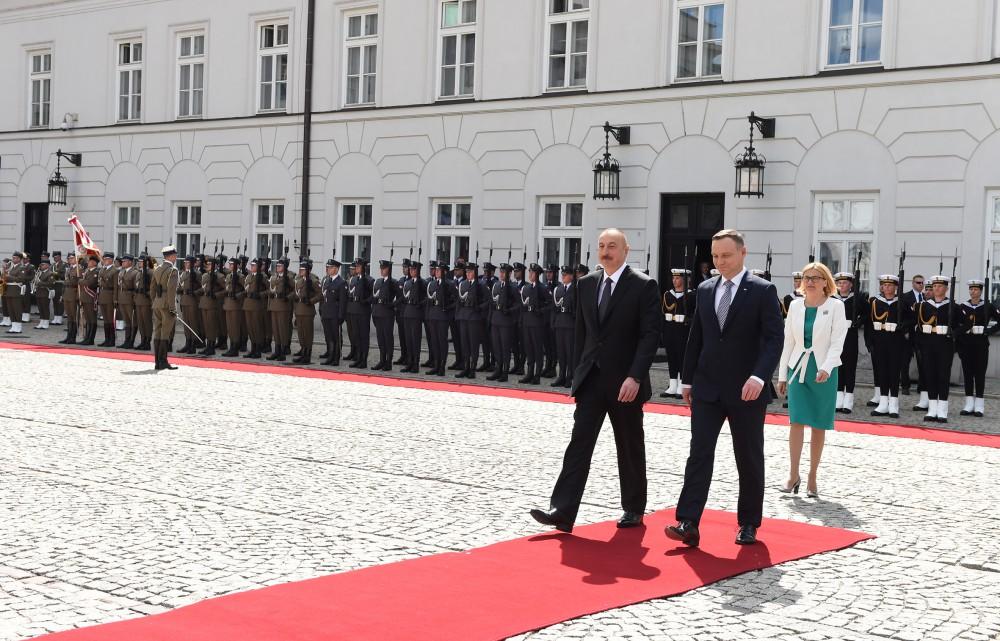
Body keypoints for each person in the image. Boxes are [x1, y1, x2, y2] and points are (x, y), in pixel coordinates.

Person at [530, 228, 660, 533]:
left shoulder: (643, 286)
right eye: (601, 245)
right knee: (579, 445)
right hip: (592, 380)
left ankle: (633, 508)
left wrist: (635, 376)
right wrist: (578, 373)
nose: (606, 251)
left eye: (612, 246)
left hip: (625, 383)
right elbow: (582, 333)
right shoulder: (587, 284)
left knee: (628, 446)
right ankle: (562, 510)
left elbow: (650, 336)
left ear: (626, 250)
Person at [666, 229, 784, 547]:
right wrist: (687, 379)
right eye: (716, 256)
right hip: (706, 388)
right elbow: (697, 337)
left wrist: (760, 377)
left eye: (726, 255)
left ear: (743, 253)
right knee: (699, 453)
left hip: (747, 390)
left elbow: (775, 339)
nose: (720, 261)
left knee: (747, 456)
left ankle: (748, 523)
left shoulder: (762, 290)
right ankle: (688, 521)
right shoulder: (705, 289)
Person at [776, 263, 849, 499]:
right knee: (796, 421)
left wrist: (827, 367)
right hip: (798, 369)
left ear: (826, 282)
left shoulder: (836, 306)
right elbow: (788, 341)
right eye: (807, 277)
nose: (810, 282)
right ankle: (793, 474)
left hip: (823, 371)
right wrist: (782, 375)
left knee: (818, 424)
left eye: (816, 278)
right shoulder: (795, 306)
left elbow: (838, 342)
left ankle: (812, 476)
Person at [866, 274, 909, 419]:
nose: (887, 288)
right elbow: (869, 323)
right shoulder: (875, 302)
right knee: (882, 372)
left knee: (894, 373)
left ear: (896, 287)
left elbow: (912, 319)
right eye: (884, 285)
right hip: (879, 341)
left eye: (890, 285)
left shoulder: (902, 302)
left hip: (896, 341)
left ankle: (894, 404)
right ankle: (883, 403)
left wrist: (903, 326)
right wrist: (869, 342)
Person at [915, 275, 957, 423]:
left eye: (940, 286)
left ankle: (942, 410)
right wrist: (920, 344)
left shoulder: (952, 306)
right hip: (928, 345)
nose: (937, 288)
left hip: (945, 345)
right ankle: (932, 409)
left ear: (946, 289)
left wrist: (953, 332)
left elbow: (965, 324)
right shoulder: (924, 306)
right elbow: (918, 326)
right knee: (930, 376)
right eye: (935, 286)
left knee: (943, 377)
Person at [957, 279, 999, 417]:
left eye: (975, 289)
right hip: (966, 343)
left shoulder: (987, 306)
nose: (973, 291)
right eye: (971, 289)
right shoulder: (963, 306)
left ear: (981, 291)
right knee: (968, 374)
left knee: (979, 374)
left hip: (981, 343)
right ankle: (969, 403)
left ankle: (979, 404)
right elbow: (956, 324)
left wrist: (990, 331)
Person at [660, 267, 695, 399]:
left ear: (686, 280)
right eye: (674, 278)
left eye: (678, 278)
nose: (675, 281)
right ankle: (672, 384)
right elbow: (663, 312)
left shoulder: (692, 295)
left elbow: (695, 315)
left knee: (682, 358)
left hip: (684, 331)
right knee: (672, 358)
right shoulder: (668, 295)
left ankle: (682, 384)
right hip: (670, 330)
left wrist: (687, 319)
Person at [832, 272, 863, 413]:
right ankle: (838, 398)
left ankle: (848, 399)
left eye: (845, 283)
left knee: (850, 367)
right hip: (836, 337)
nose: (842, 285)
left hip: (850, 336)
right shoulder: (832, 298)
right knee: (837, 367)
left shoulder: (858, 298)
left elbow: (867, 314)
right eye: (839, 283)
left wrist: (857, 322)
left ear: (851, 284)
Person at [455, 262, 489, 379]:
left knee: (473, 344)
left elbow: (488, 301)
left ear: (474, 272)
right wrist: (457, 315)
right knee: (464, 344)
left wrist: (480, 308)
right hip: (464, 317)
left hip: (474, 317)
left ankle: (472, 369)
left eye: (470, 271)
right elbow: (459, 301)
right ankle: (466, 367)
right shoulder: (462, 284)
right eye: (467, 271)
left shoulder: (481, 285)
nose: (468, 273)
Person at [486, 263, 519, 382]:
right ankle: (498, 369)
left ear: (509, 274)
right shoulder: (496, 285)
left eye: (504, 272)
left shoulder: (513, 287)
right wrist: (489, 319)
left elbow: (518, 304)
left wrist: (509, 310)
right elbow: (491, 303)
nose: (501, 274)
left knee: (505, 347)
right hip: (496, 319)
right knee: (496, 346)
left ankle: (505, 371)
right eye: (501, 272)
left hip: (506, 320)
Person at [518, 263, 550, 385]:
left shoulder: (542, 288)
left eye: (533, 273)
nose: (530, 274)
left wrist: (541, 311)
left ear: (537, 274)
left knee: (537, 349)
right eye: (530, 272)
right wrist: (521, 320)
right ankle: (529, 373)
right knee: (528, 348)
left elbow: (550, 303)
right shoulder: (526, 288)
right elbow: (522, 306)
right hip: (527, 321)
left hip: (537, 322)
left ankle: (537, 375)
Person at [151, 245, 179, 371]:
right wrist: (173, 308)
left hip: (157, 303)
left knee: (157, 331)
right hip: (167, 305)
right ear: (171, 256)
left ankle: (157, 361)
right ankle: (163, 361)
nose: (176, 257)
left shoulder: (157, 269)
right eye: (175, 255)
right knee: (165, 334)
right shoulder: (173, 270)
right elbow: (172, 291)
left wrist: (156, 301)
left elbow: (152, 289)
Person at [900, 274, 927, 402]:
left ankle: (922, 386)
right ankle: (905, 385)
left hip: (922, 334)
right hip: (908, 333)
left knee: (922, 360)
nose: (920, 285)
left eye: (922, 283)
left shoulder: (926, 297)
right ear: (913, 283)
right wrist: (905, 330)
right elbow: (902, 316)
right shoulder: (906, 297)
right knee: (905, 361)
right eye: (918, 282)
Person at [550, 265, 577, 388]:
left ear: (571, 276)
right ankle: (561, 375)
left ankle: (569, 376)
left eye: (566, 274)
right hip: (560, 323)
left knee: (569, 352)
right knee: (560, 352)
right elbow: (554, 309)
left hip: (570, 324)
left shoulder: (576, 289)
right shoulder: (558, 289)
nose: (563, 276)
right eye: (563, 274)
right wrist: (553, 323)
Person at [292, 258, 322, 364]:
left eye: (303, 269)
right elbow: (297, 293)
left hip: (308, 310)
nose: (300, 271)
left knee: (307, 334)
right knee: (301, 334)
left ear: (308, 270)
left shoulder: (313, 280)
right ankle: (303, 352)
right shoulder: (299, 280)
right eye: (300, 269)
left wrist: (311, 301)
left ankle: (307, 355)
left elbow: (320, 294)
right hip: (299, 310)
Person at [372, 259, 400, 371]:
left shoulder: (393, 282)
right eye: (381, 268)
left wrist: (392, 305)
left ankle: (389, 362)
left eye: (384, 268)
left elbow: (401, 297)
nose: (381, 270)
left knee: (388, 338)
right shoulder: (378, 282)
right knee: (380, 338)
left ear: (389, 269)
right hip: (378, 313)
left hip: (387, 314)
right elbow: (374, 296)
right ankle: (382, 360)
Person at [401, 261, 426, 373]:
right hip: (407, 312)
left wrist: (420, 303)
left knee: (415, 340)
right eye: (410, 269)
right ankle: (409, 362)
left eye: (414, 269)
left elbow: (427, 297)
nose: (411, 271)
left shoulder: (422, 283)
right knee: (408, 339)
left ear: (418, 270)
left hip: (416, 313)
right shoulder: (408, 282)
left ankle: (415, 363)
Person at [242, 258, 269, 359]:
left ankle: (258, 350)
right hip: (248, 304)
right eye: (251, 265)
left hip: (257, 305)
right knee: (250, 328)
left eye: (254, 266)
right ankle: (253, 349)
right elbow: (246, 288)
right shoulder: (249, 276)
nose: (252, 267)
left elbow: (269, 290)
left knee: (257, 328)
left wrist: (260, 294)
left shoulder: (263, 277)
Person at [115, 254, 137, 347]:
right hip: (122, 298)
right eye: (122, 261)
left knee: (131, 321)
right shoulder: (121, 272)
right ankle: (126, 341)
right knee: (126, 321)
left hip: (130, 299)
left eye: (125, 261)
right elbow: (118, 286)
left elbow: (136, 288)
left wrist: (134, 300)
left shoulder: (134, 272)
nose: (122, 262)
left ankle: (131, 341)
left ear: (130, 262)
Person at [59, 253, 82, 344]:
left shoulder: (79, 269)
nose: (69, 260)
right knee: (69, 317)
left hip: (73, 293)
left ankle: (73, 337)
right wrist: (62, 295)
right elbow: (65, 283)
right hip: (67, 294)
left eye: (72, 258)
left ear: (76, 259)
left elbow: (79, 284)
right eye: (68, 258)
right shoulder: (69, 269)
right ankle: (68, 336)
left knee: (74, 317)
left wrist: (78, 297)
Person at [97, 251, 118, 346]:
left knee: (110, 320)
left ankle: (112, 340)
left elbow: (116, 287)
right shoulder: (102, 270)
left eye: (107, 259)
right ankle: (106, 339)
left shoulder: (115, 270)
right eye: (104, 259)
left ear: (111, 260)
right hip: (102, 295)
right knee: (105, 320)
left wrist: (115, 299)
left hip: (110, 296)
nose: (105, 261)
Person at [32, 257, 59, 330]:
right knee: (40, 308)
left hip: (45, 292)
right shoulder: (40, 273)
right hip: (39, 292)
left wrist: (40, 283)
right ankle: (41, 322)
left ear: (47, 265)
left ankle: (46, 322)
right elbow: (35, 281)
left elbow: (50, 284)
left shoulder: (50, 273)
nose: (41, 266)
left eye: (43, 265)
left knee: (45, 308)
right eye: (41, 265)